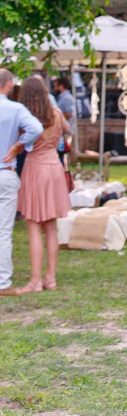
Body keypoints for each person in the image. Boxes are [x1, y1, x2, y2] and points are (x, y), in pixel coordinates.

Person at [15, 76, 71, 293]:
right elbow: (68, 130)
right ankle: (51, 278)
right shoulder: (55, 114)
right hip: (54, 168)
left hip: (36, 168)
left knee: (33, 225)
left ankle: (36, 280)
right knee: (50, 227)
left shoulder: (27, 117)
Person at [0, 69, 42, 296]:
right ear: (8, 85)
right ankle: (2, 282)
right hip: (5, 171)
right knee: (3, 230)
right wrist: (19, 145)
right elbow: (36, 128)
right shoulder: (15, 108)